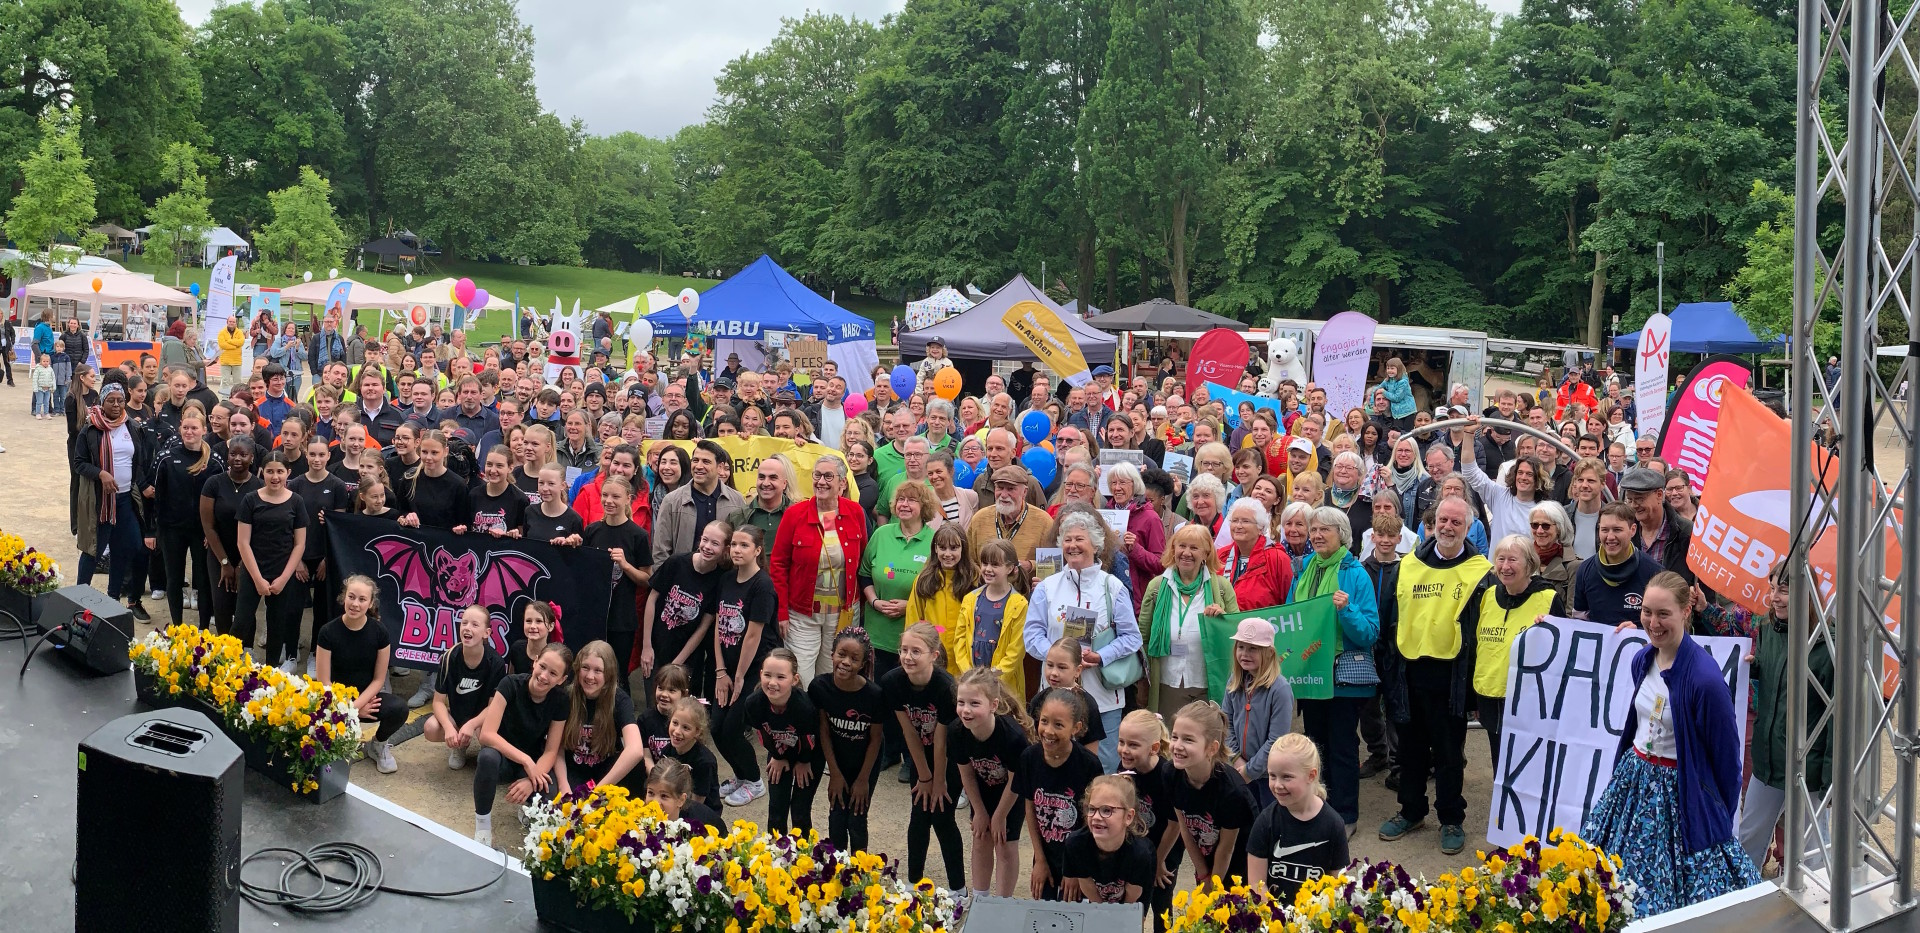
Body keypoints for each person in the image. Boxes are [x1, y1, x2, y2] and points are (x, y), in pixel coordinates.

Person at [1582, 571, 1761, 913]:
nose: (1653, 622)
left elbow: (1726, 760)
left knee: (1666, 891)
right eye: (1647, 612)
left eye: (1663, 613)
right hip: (1632, 781)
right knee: (1611, 879)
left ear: (1685, 612)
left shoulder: (1705, 680)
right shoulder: (1642, 659)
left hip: (1679, 792)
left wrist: (1719, 819)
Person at [1377, 495, 1489, 856]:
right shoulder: (1406, 566)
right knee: (1409, 751)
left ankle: (1451, 818)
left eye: (1457, 522)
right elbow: (1388, 619)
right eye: (1443, 520)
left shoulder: (1481, 572)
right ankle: (1411, 812)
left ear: (1468, 527)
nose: (1448, 527)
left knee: (1448, 753)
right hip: (1409, 674)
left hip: (1451, 678)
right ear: (1432, 522)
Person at [1024, 511, 1143, 772]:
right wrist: (1059, 659)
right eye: (1067, 540)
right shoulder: (1047, 587)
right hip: (1055, 694)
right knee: (1055, 762)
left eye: (1080, 539)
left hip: (1102, 694)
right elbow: (1031, 636)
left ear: (1096, 544)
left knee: (1103, 766)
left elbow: (1132, 637)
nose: (1072, 545)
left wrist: (1101, 656)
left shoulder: (1112, 587)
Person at [1290, 505, 1379, 829]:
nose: (1316, 535)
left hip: (1341, 674)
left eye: (1323, 530)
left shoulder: (1355, 573)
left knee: (1341, 745)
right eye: (1313, 530)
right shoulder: (1303, 568)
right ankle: (1317, 806)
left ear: (1341, 534)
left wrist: (1347, 609)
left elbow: (1370, 631)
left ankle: (1345, 814)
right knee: (1314, 743)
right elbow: (1291, 617)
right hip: (1310, 673)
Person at [1739, 560, 1833, 871]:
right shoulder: (1767, 629)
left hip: (1810, 769)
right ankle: (1740, 904)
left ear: (1806, 594)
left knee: (1813, 852)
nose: (1774, 597)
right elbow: (1776, 682)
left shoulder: (1829, 644)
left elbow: (1838, 718)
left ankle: (1818, 909)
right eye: (1771, 588)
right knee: (1748, 839)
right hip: (1768, 764)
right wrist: (1755, 668)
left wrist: (1832, 777)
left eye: (1783, 590)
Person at [1467, 535, 1563, 766]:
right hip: (1489, 695)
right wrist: (1473, 700)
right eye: (1500, 559)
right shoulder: (1488, 596)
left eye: (1513, 560)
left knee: (1528, 766)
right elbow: (1477, 645)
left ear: (1529, 564)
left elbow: (1562, 652)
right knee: (1500, 763)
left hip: (1529, 702)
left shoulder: (1548, 598)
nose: (1505, 566)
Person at [770, 454, 867, 683]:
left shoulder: (855, 512)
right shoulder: (795, 514)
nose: (821, 481)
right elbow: (778, 564)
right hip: (803, 614)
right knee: (800, 675)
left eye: (828, 476)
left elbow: (862, 560)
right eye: (817, 475)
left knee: (831, 676)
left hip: (842, 613)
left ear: (842, 483)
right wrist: (782, 612)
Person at [887, 621, 966, 891]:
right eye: (903, 650)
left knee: (943, 818)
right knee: (919, 816)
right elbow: (909, 731)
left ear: (934, 655)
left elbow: (943, 739)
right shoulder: (893, 681)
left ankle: (959, 888)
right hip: (920, 756)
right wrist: (923, 776)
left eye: (916, 651)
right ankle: (912, 882)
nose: (907, 657)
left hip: (950, 758)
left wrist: (939, 781)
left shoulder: (945, 686)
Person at [472, 642, 573, 846]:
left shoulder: (560, 700)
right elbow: (487, 735)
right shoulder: (509, 684)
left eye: (553, 673)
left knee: (549, 794)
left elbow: (551, 750)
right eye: (542, 666)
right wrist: (526, 760)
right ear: (534, 663)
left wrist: (530, 780)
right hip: (504, 756)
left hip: (533, 763)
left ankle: (527, 804)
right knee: (487, 757)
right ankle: (482, 825)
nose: (544, 676)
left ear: (562, 680)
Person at [948, 666, 1033, 899]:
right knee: (981, 838)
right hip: (982, 790)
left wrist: (999, 816)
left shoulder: (1013, 737)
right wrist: (980, 812)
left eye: (974, 704)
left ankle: (1002, 905)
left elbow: (1017, 781)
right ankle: (980, 900)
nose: (966, 710)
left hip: (1011, 793)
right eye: (961, 702)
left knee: (1005, 845)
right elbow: (966, 774)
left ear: (993, 705)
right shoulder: (957, 732)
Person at [74, 377, 155, 620]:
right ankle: (79, 599)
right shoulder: (90, 429)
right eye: (111, 401)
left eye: (120, 400)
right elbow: (79, 463)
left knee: (129, 546)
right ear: (102, 402)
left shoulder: (131, 426)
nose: (117, 405)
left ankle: (113, 598)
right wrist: (100, 474)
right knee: (93, 551)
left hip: (125, 499)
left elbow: (137, 461)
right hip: (100, 503)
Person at [1141, 524, 1238, 722]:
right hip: (1166, 682)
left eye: (1194, 548)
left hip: (1207, 681)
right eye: (1181, 546)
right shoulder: (1157, 586)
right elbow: (1143, 635)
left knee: (1205, 742)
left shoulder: (1221, 588)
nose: (1186, 553)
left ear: (1206, 553)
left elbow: (1237, 632)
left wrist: (1223, 619)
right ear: (1173, 549)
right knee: (1170, 743)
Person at [712, 525, 779, 807]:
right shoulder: (726, 579)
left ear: (758, 550)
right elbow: (718, 624)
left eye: (744, 546)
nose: (736, 550)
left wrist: (739, 677)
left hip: (752, 669)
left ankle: (754, 780)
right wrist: (720, 672)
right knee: (715, 727)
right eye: (734, 545)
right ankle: (740, 776)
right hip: (726, 668)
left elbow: (753, 635)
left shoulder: (762, 585)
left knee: (732, 728)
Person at [1017, 685, 1103, 900]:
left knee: (1073, 917)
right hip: (1046, 854)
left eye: (1059, 725)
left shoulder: (1088, 765)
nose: (1048, 731)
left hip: (1078, 858)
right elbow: (1030, 807)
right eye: (1044, 721)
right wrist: (1040, 860)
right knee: (1043, 913)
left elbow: (1089, 820)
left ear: (1076, 727)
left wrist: (1076, 869)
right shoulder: (1029, 758)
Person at [314, 575, 405, 774]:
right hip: (335, 701)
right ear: (343, 598)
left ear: (371, 603)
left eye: (362, 599)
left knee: (399, 709)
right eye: (351, 597)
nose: (355, 604)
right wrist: (346, 710)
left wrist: (356, 707)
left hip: (366, 700)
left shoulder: (380, 632)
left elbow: (379, 679)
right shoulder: (327, 632)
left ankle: (378, 745)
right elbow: (324, 682)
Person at [1246, 733, 1350, 902]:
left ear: (1311, 775)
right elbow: (1256, 885)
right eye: (1272, 776)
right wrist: (1278, 918)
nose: (1277, 785)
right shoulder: (1265, 822)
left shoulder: (1333, 824)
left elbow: (1339, 886)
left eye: (1287, 777)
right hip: (1275, 921)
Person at [812, 628, 887, 853]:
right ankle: (838, 871)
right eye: (841, 654)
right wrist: (834, 773)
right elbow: (824, 731)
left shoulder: (874, 695)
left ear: (863, 664)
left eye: (854, 659)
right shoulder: (819, 687)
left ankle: (858, 872)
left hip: (865, 761)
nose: (846, 662)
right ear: (832, 654)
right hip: (838, 758)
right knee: (836, 816)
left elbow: (875, 739)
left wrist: (863, 779)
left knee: (857, 817)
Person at [146, 405, 221, 627]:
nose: (189, 432)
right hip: (172, 530)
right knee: (174, 578)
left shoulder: (214, 461)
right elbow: (154, 497)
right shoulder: (166, 458)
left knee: (203, 580)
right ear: (180, 429)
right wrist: (152, 530)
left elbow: (221, 501)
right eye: (185, 428)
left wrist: (214, 532)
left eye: (194, 428)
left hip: (202, 532)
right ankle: (177, 626)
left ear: (203, 430)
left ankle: (203, 627)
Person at [1168, 700, 1257, 886]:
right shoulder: (1170, 773)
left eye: (1188, 739)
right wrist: (1202, 874)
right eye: (1174, 737)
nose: (1177, 745)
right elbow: (1184, 827)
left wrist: (1213, 888)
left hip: (1240, 868)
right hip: (1206, 857)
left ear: (1212, 748)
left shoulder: (1232, 792)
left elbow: (1227, 849)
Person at [235, 455, 310, 668]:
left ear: (288, 473)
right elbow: (243, 543)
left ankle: (270, 673)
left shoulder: (296, 501)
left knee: (277, 626)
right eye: (270, 471)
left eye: (280, 472)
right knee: (241, 622)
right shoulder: (250, 500)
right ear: (262, 472)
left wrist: (284, 578)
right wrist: (257, 579)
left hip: (282, 572)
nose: (275, 477)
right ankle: (228, 665)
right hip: (253, 570)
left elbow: (299, 544)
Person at [424, 605, 509, 770]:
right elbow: (438, 702)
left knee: (486, 738)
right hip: (458, 716)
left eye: (475, 625)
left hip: (483, 719)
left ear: (487, 633)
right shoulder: (449, 657)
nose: (467, 628)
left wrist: (472, 725)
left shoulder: (496, 663)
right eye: (464, 623)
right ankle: (459, 745)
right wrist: (449, 728)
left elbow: (493, 707)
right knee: (430, 728)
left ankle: (485, 748)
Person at [583, 477, 653, 675]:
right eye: (604, 495)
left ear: (628, 499)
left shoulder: (637, 535)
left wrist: (625, 565)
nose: (608, 501)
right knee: (590, 670)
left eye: (615, 496)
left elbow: (646, 579)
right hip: (594, 615)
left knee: (616, 674)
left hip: (622, 618)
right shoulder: (592, 530)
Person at [1224, 617, 1294, 812]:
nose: (1245, 654)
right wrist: (1237, 760)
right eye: (1241, 647)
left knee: (1267, 823)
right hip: (1238, 770)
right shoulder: (1234, 682)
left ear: (1269, 653)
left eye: (1253, 648)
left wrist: (1250, 770)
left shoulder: (1280, 689)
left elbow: (1276, 739)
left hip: (1268, 777)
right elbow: (1225, 724)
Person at [652, 440, 746, 564]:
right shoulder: (672, 501)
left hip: (724, 580)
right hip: (683, 580)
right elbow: (660, 552)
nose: (698, 466)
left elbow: (743, 547)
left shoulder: (737, 500)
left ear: (720, 467)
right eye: (695, 460)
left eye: (706, 461)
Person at [1573, 502, 1662, 625]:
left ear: (1633, 530)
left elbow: (1665, 624)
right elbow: (1578, 622)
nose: (1610, 537)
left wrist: (1638, 631)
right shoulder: (1585, 570)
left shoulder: (1655, 573)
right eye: (1604, 530)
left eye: (1617, 530)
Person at [660, 696, 724, 814]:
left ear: (697, 731)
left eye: (686, 727)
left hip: (702, 813)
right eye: (675, 723)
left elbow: (697, 803)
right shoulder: (666, 752)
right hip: (676, 805)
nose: (677, 731)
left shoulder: (704, 762)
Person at [1531, 501, 1581, 606]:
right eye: (1535, 525)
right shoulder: (1525, 560)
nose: (1539, 531)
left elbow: (1572, 614)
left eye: (1546, 526)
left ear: (1559, 528)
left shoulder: (1573, 566)